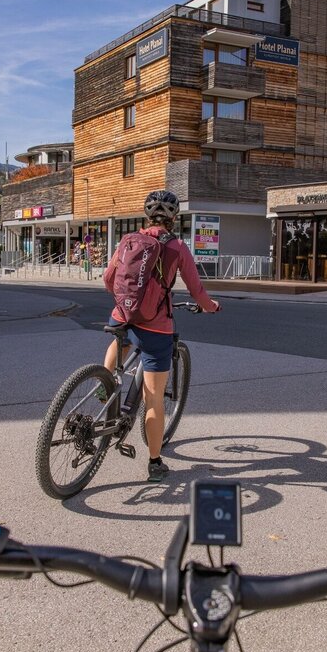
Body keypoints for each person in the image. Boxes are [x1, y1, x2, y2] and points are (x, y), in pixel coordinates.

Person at [103, 190, 219, 483]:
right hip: (156, 324)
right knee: (153, 399)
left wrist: (126, 302)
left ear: (146, 216)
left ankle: (104, 384)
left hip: (122, 314)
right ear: (173, 218)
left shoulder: (128, 240)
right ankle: (154, 463)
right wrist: (211, 307)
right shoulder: (178, 246)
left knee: (123, 339)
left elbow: (108, 278)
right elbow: (197, 290)